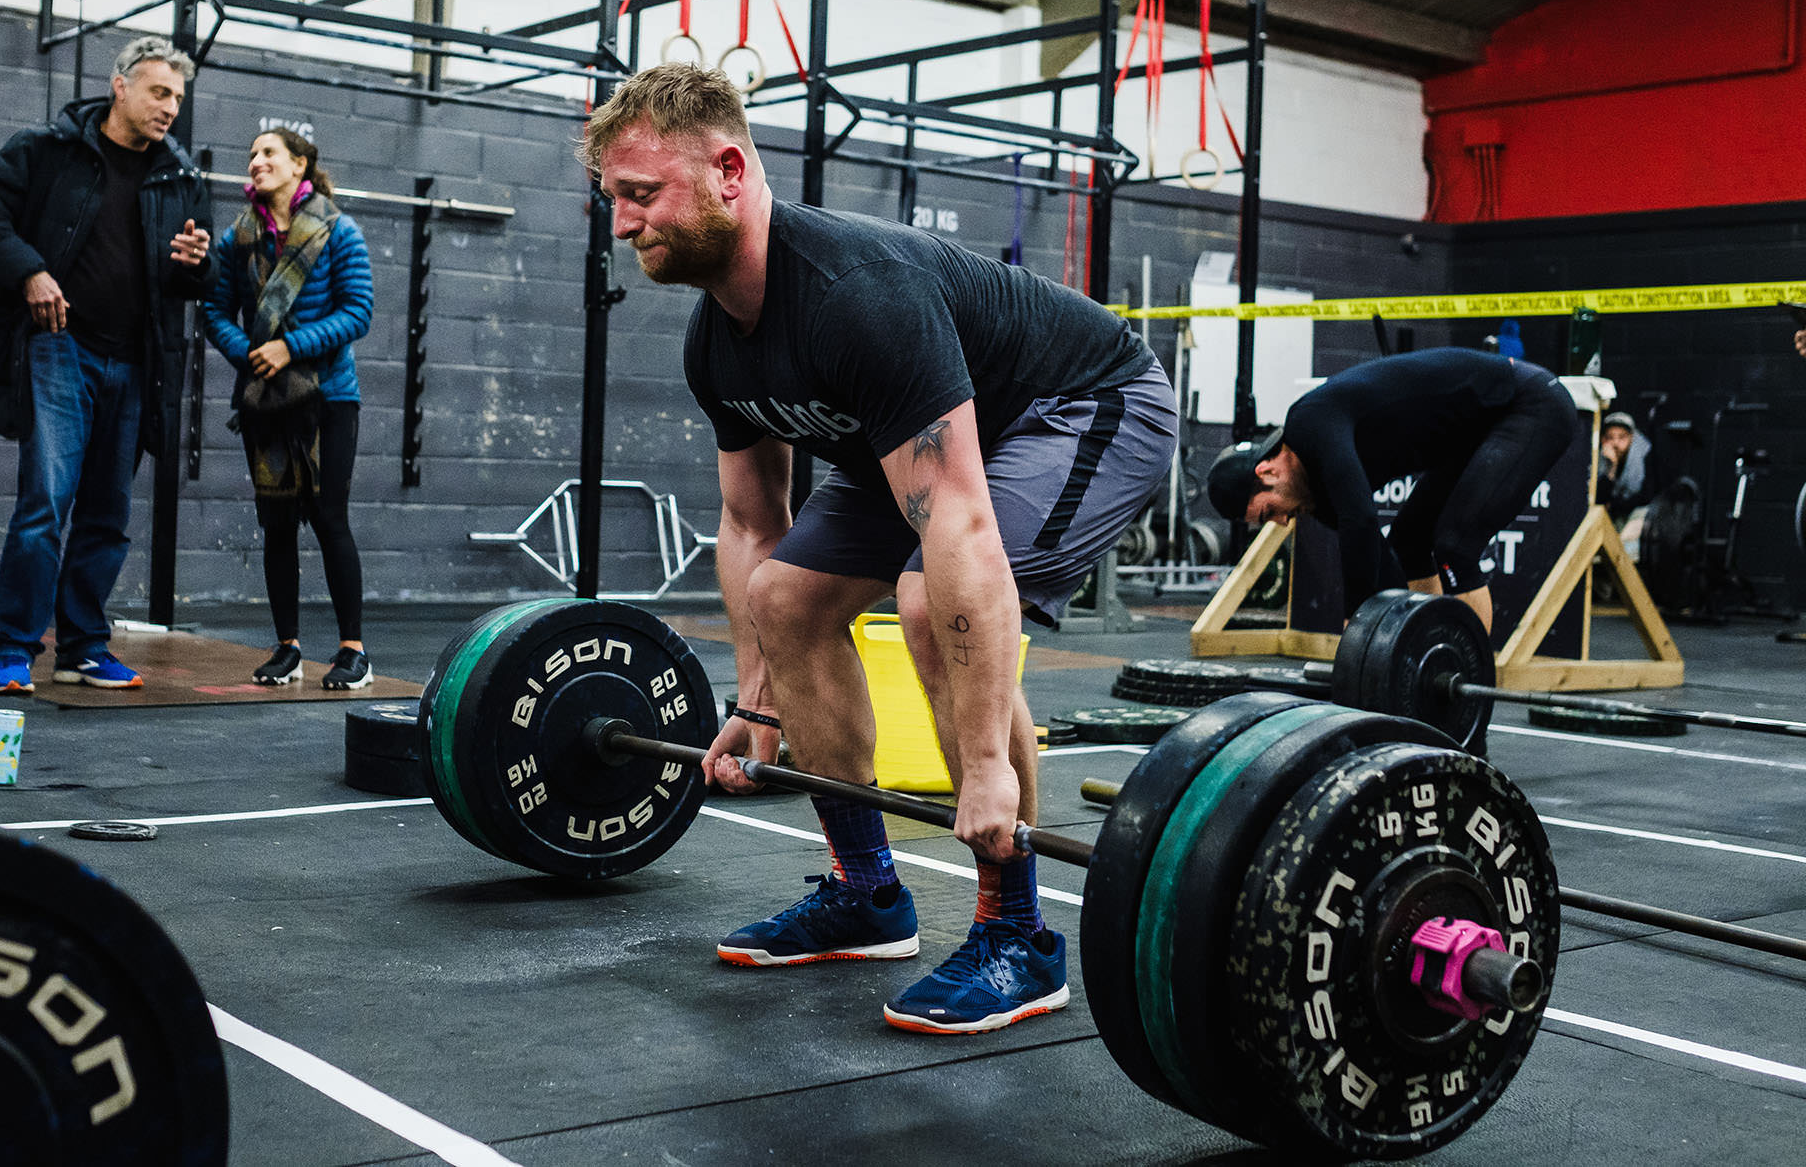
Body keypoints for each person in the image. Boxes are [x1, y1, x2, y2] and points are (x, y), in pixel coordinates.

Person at [580, 64, 1178, 1035]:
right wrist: (754, 703)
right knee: (785, 597)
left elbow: (959, 521)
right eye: (613, 198)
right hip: (925, 435)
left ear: (729, 171)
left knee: (919, 606)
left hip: (1083, 405)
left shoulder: (855, 293)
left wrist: (982, 762)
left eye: (639, 194)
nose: (620, 221)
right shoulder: (717, 342)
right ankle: (866, 893)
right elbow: (749, 527)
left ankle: (1016, 933)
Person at [0, 37, 212, 693]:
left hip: (136, 362)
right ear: (119, 85)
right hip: (59, 346)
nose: (170, 108)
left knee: (107, 513)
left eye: (178, 98)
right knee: (46, 500)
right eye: (159, 92)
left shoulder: (180, 178)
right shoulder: (46, 149)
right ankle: (14, 648)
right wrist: (31, 272)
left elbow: (194, 284)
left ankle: (83, 647)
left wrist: (194, 268)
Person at [1207, 346, 1579, 632]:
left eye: (1267, 511)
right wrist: (1384, 643)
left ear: (1267, 471)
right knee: (1409, 544)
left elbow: (1361, 517)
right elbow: (1381, 560)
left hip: (1529, 404)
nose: (1282, 522)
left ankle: (1469, 673)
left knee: (1455, 546)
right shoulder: (1317, 497)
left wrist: (1356, 619)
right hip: (1473, 436)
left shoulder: (1309, 422)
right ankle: (1429, 652)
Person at [201, 129, 375, 689]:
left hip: (328, 399)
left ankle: (352, 652)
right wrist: (249, 355)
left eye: (268, 153)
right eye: (250, 153)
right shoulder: (238, 237)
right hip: (265, 400)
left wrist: (289, 347)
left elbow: (358, 313)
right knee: (277, 524)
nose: (256, 162)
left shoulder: (338, 230)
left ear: (300, 165)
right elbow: (213, 309)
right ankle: (288, 648)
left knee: (328, 520)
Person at [1597, 410, 1655, 553]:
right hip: (1612, 517)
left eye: (1622, 437)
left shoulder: (1644, 455)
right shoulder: (1600, 459)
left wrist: (1615, 505)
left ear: (1631, 438)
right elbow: (1599, 499)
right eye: (1610, 437)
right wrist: (1612, 467)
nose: (1615, 443)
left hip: (1634, 514)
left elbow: (1647, 496)